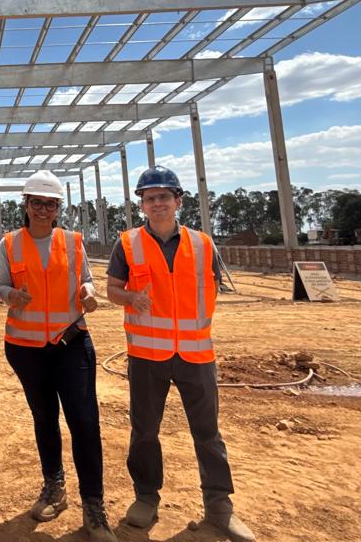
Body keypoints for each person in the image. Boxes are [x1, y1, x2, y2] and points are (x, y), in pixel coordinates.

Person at [105, 166, 255, 542]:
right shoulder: (127, 244)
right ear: (142, 205)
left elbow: (211, 289)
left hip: (196, 353)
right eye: (149, 198)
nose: (157, 203)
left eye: (163, 197)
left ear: (178, 201)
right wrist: (130, 297)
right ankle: (146, 497)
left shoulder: (203, 244)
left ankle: (219, 507)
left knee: (208, 433)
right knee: (144, 431)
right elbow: (112, 289)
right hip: (147, 354)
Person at [0, 171, 117, 542]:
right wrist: (10, 296)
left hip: (71, 341)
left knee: (84, 421)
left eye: (50, 204)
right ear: (26, 204)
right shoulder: (9, 244)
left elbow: (86, 278)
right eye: (37, 203)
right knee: (44, 417)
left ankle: (93, 505)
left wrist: (88, 293)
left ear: (58, 208)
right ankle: (54, 487)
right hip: (27, 348)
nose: (43, 210)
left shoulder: (72, 241)